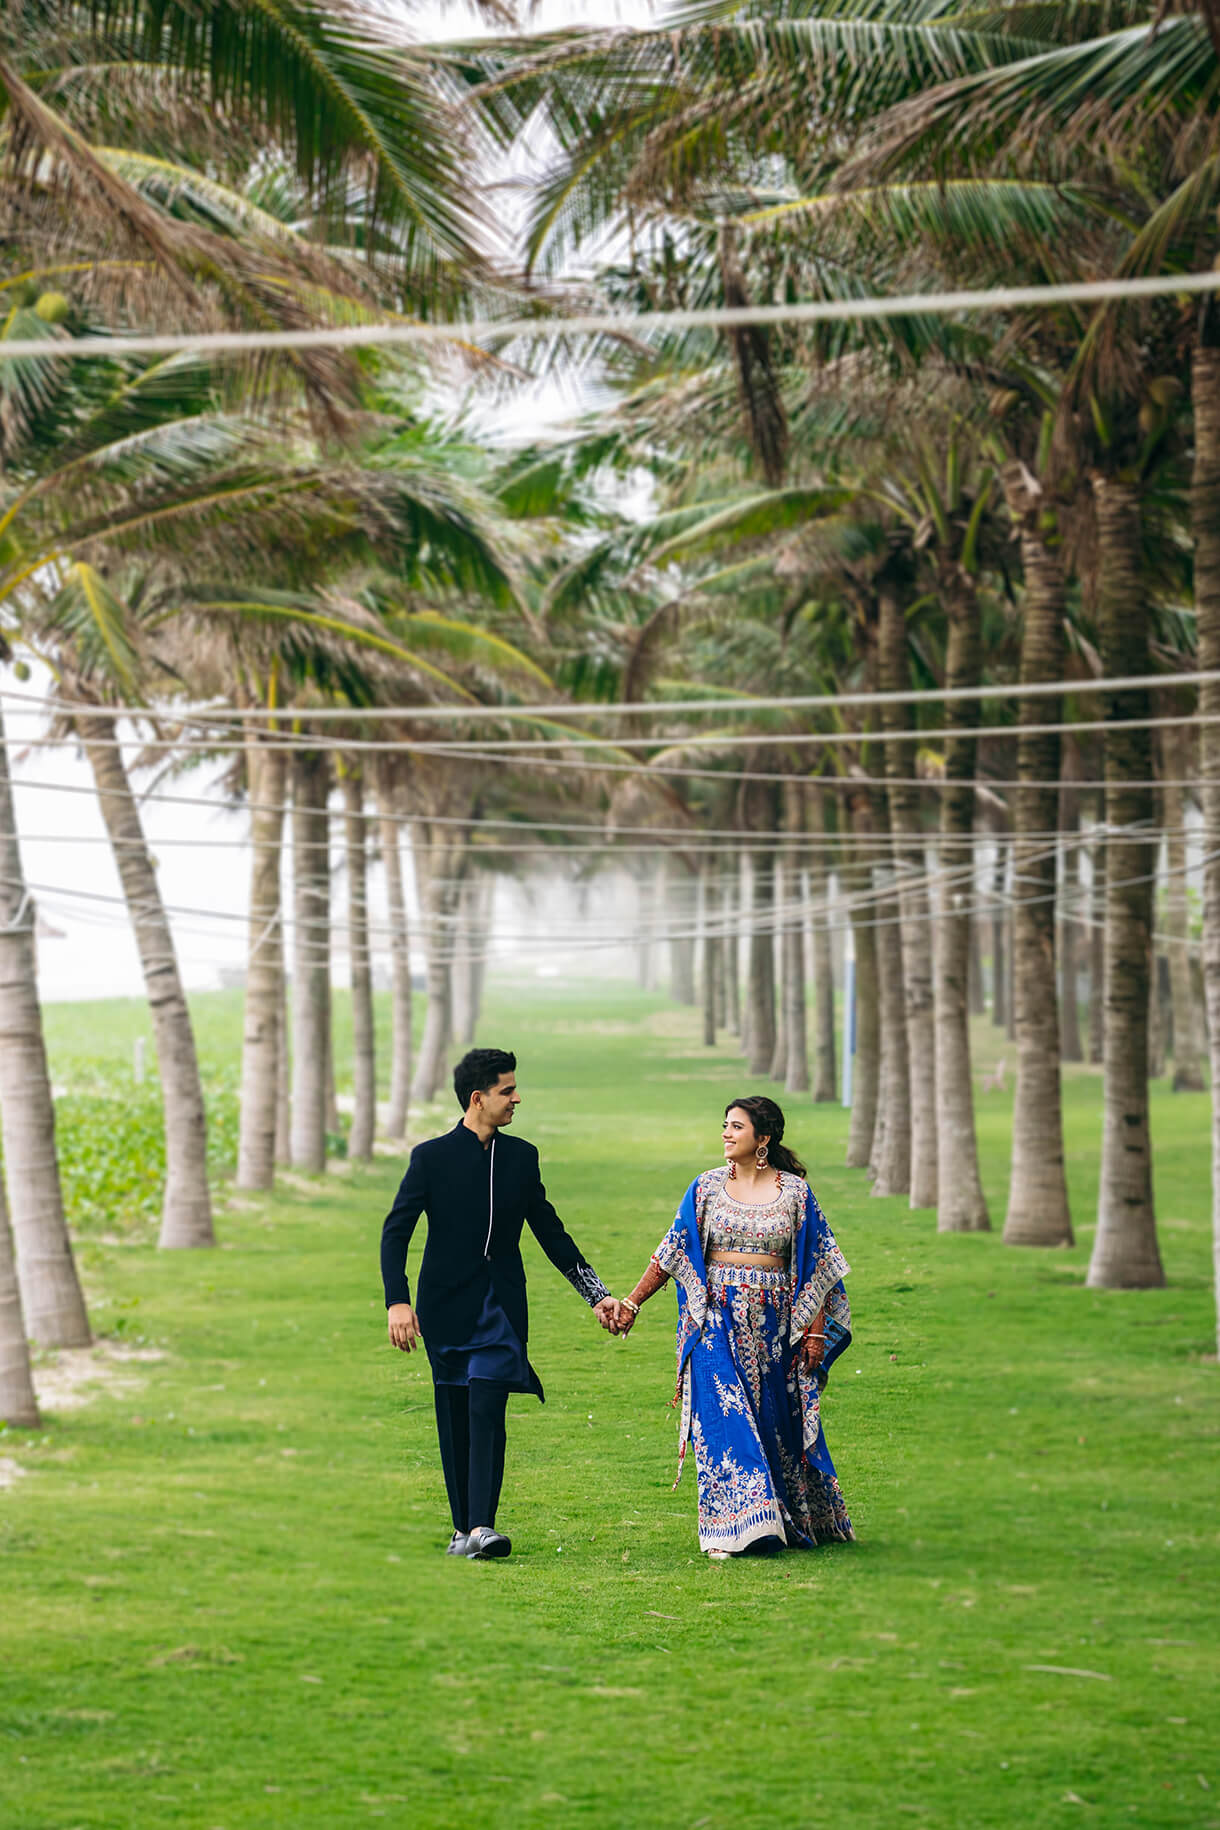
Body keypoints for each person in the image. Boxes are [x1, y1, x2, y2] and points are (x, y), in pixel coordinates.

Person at [380, 1047, 619, 1561]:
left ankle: (482, 1527)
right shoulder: (431, 1158)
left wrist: (596, 1296)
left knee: (487, 1405)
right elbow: (395, 1232)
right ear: (477, 1098)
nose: (516, 1098)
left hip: (501, 1309)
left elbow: (551, 1232)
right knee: (455, 1415)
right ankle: (462, 1529)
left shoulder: (521, 1157)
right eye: (507, 1090)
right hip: (444, 1309)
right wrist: (397, 1302)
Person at [613, 1095, 854, 1559]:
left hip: (775, 1326)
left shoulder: (796, 1194)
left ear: (762, 1139)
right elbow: (673, 1251)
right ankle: (736, 1529)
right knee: (726, 1420)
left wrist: (816, 1331)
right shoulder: (703, 1188)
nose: (726, 1133)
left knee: (773, 1424)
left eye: (737, 1127)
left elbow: (816, 1266)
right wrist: (633, 1302)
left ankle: (780, 1517)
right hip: (713, 1322)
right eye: (724, 1125)